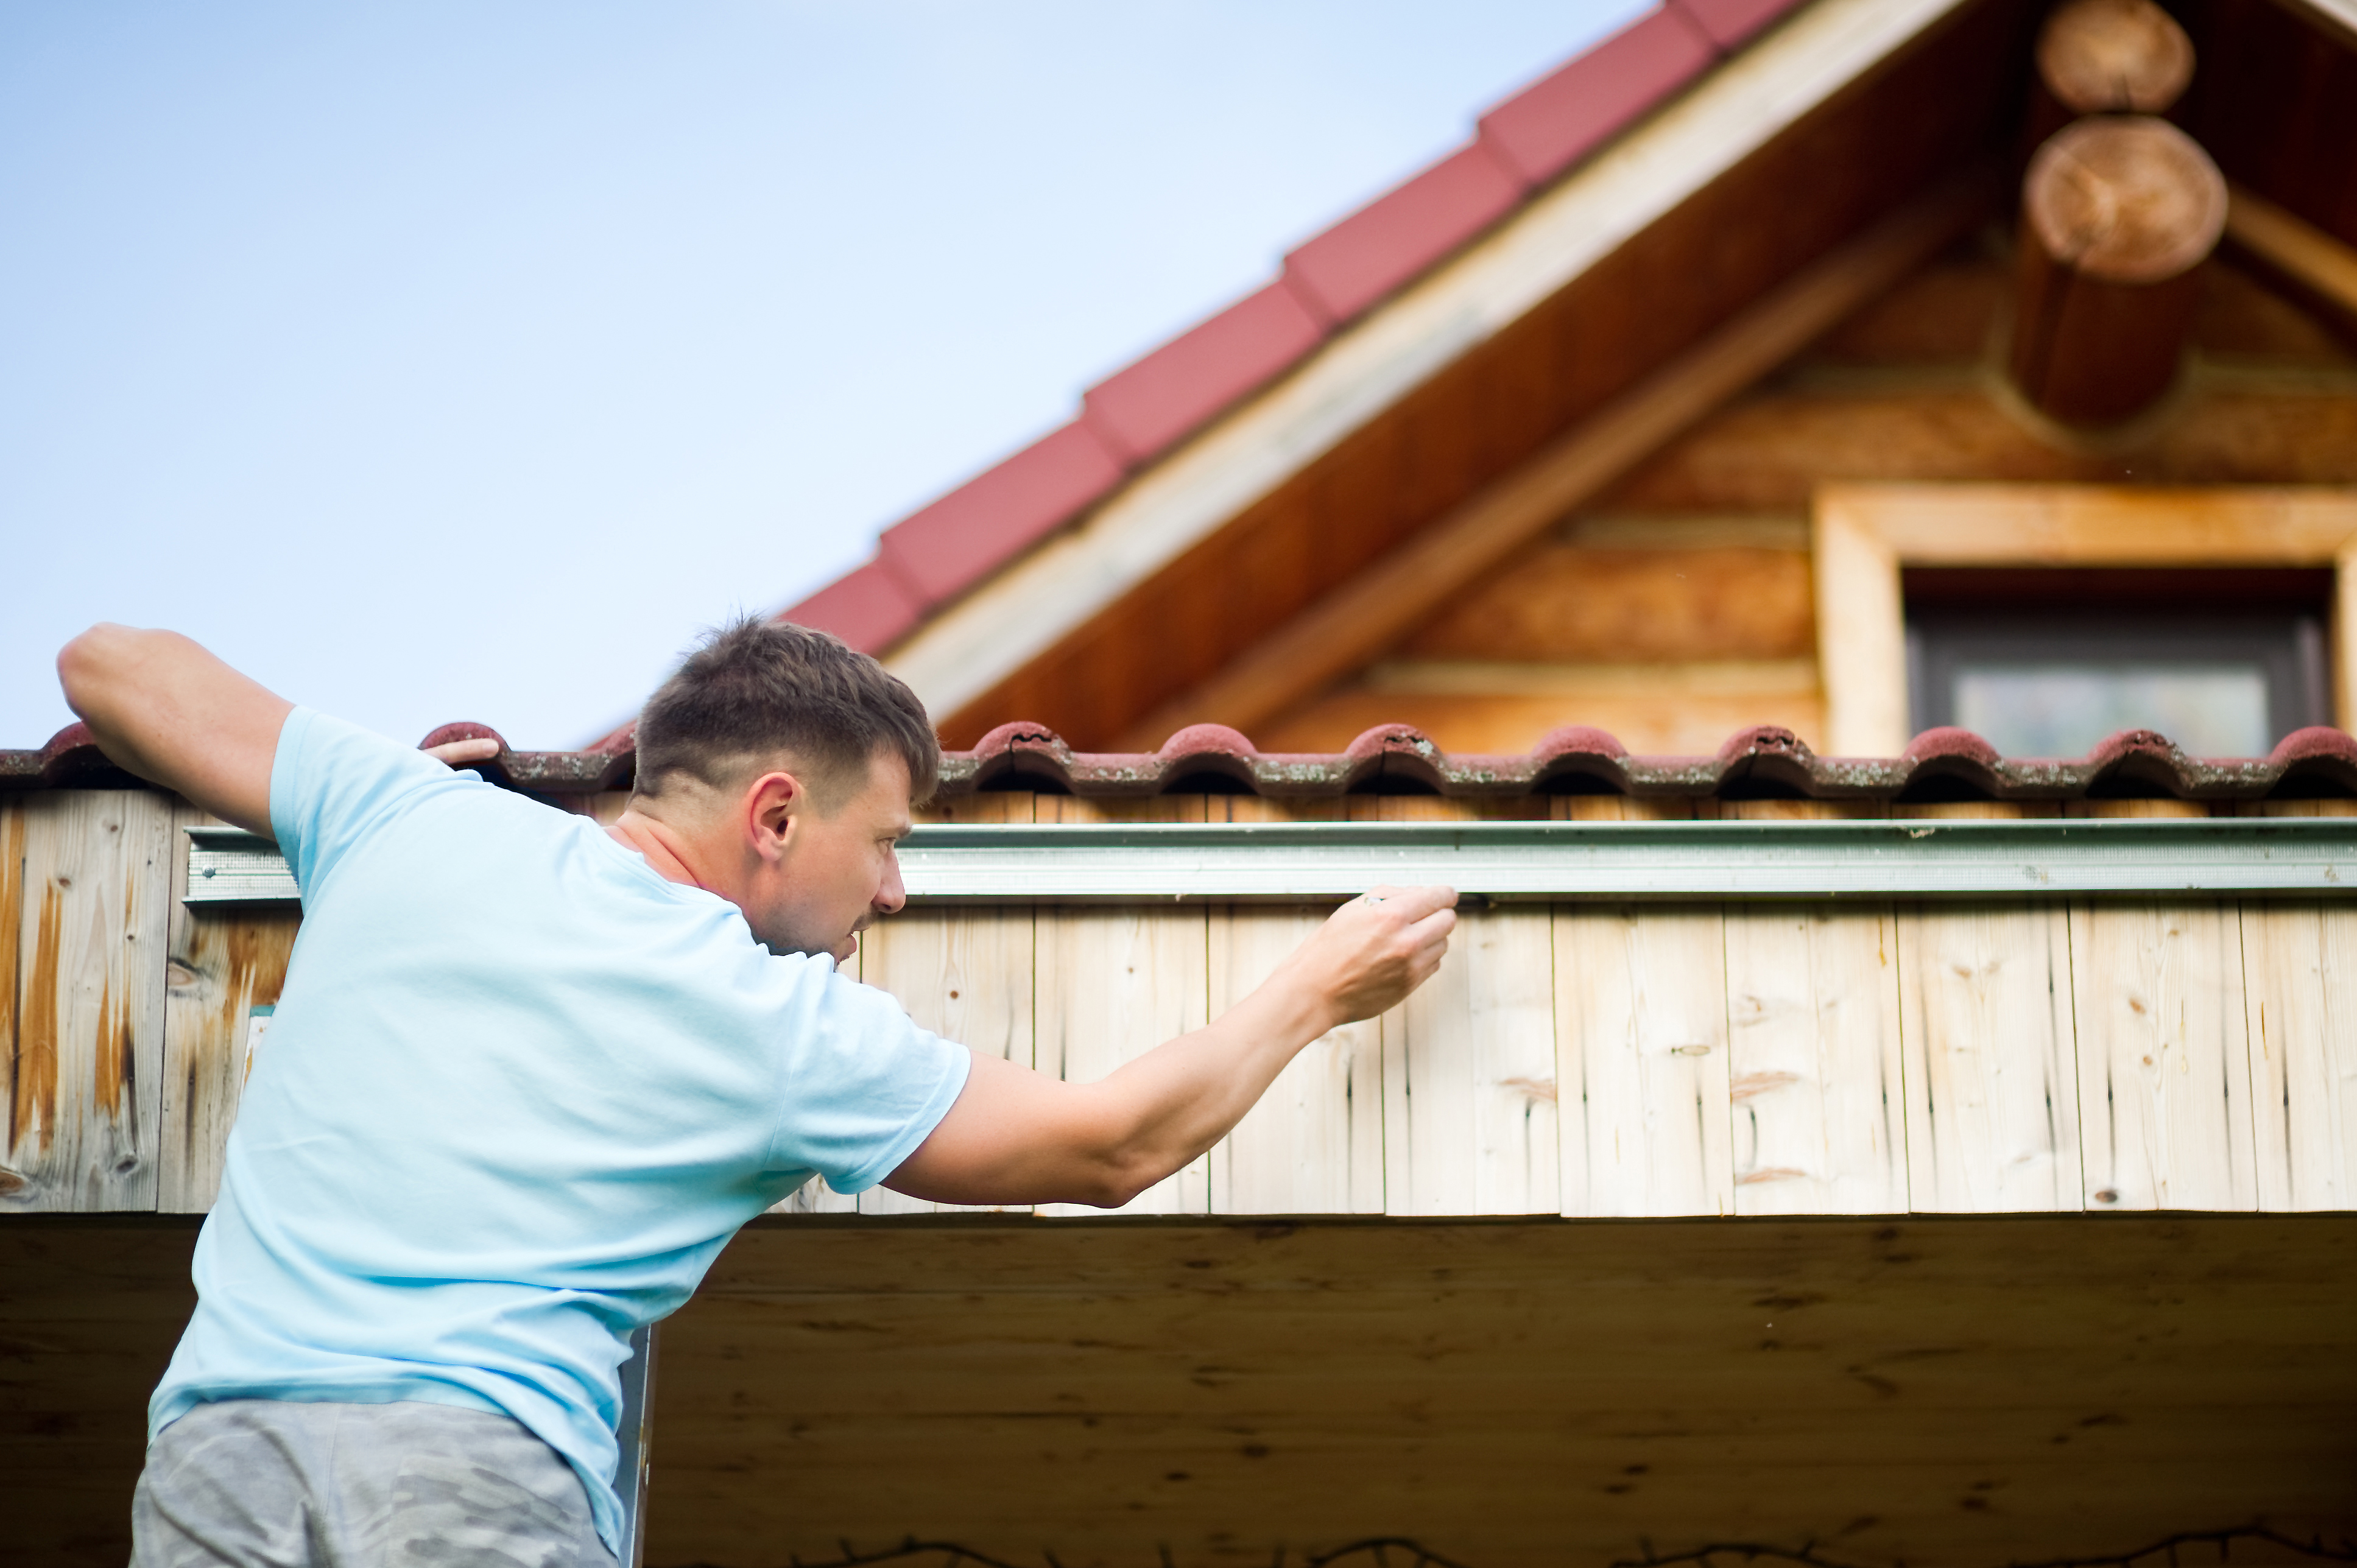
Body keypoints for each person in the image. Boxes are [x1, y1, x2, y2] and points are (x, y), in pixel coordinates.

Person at [57, 616, 1457, 1568]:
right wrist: (1319, 988)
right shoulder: (779, 1027)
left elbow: (105, 662)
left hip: (212, 1466)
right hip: (468, 1483)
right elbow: (1112, 1145)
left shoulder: (403, 819)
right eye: (889, 841)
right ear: (777, 815)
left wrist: (369, 806)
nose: (895, 889)